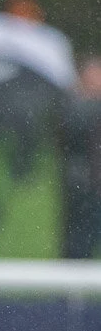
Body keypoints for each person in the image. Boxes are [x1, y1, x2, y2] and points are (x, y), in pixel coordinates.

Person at [60, 55, 101, 259]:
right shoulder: (72, 103)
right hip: (83, 184)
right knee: (78, 243)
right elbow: (72, 129)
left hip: (91, 182)